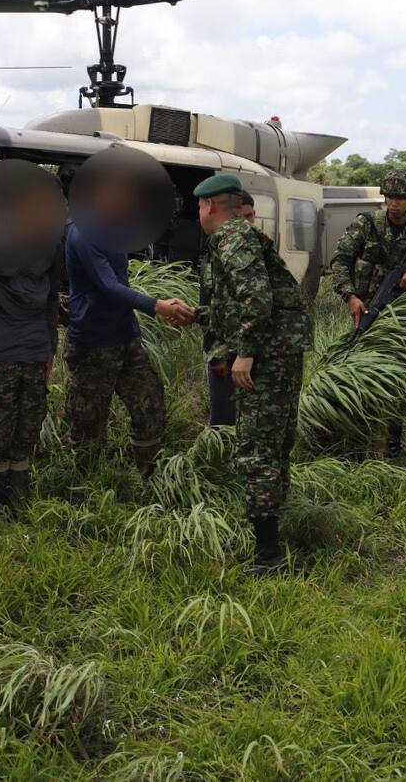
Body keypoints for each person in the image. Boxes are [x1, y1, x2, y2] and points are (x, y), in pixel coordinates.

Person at [193, 173, 312, 573]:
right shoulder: (233, 240)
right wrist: (196, 315)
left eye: (199, 206)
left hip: (268, 355)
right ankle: (274, 530)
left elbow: (256, 299)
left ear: (209, 206)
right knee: (272, 444)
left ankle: (269, 555)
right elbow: (234, 302)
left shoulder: (234, 238)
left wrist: (245, 354)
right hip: (277, 349)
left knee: (258, 447)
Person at [328, 167, 406, 458]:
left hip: (404, 319)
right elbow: (340, 261)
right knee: (362, 374)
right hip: (367, 311)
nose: (394, 202)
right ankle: (359, 441)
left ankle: (393, 444)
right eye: (390, 196)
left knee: (399, 378)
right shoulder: (367, 224)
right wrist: (350, 296)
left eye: (401, 197)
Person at [63, 221, 193, 478]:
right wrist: (158, 306)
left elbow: (121, 280)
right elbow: (108, 285)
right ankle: (87, 486)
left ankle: (149, 476)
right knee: (89, 420)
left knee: (150, 402)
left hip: (125, 336)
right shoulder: (83, 233)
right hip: (92, 342)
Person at [0, 237, 62, 511]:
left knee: (27, 429)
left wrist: (50, 345)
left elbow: (52, 295)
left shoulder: (49, 242)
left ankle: (19, 504)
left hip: (34, 351)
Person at [203, 189, 258, 427]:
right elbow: (214, 305)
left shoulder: (260, 250)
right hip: (223, 347)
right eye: (239, 218)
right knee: (223, 419)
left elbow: (260, 304)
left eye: (249, 217)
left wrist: (246, 354)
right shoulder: (218, 250)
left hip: (254, 350)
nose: (245, 224)